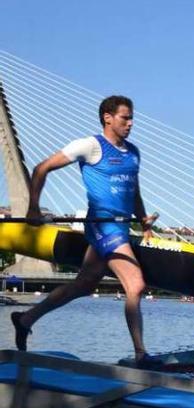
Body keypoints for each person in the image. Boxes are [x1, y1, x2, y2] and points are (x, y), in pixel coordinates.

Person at [11, 95, 160, 368]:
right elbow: (41, 168)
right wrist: (33, 208)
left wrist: (143, 220)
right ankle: (141, 355)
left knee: (84, 284)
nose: (131, 123)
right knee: (135, 284)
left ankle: (25, 319)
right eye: (125, 117)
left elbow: (133, 190)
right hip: (102, 225)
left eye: (131, 117)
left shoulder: (133, 152)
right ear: (107, 117)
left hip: (121, 226)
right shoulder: (90, 146)